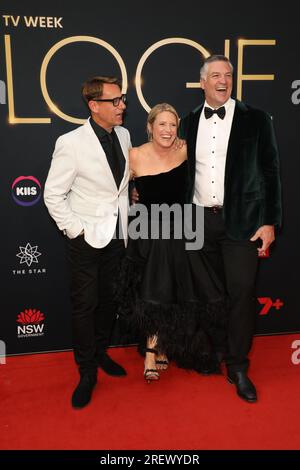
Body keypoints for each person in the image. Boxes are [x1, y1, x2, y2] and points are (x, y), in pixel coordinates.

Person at [179, 55, 282, 402]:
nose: (223, 80)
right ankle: (219, 350)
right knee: (209, 295)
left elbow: (271, 173)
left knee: (240, 294)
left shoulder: (256, 119)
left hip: (243, 220)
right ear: (203, 82)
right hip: (198, 221)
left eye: (228, 75)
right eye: (216, 75)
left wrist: (270, 221)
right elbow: (177, 170)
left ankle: (238, 366)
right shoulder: (189, 121)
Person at [119, 103, 227, 382]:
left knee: (175, 292)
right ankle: (150, 353)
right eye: (162, 124)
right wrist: (132, 196)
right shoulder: (134, 156)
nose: (167, 130)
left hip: (182, 228)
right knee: (154, 292)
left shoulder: (186, 150)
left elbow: (208, 180)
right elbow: (117, 193)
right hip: (150, 232)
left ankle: (164, 344)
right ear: (150, 127)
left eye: (173, 125)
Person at [44, 76, 131, 409]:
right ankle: (87, 371)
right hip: (85, 238)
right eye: (116, 101)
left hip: (118, 235)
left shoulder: (124, 135)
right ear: (94, 106)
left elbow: (118, 186)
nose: (122, 106)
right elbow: (53, 194)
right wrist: (74, 229)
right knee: (85, 306)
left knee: (110, 301)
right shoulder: (71, 142)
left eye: (122, 99)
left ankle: (100, 353)